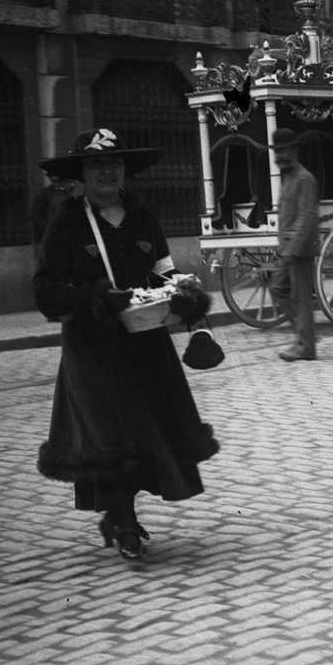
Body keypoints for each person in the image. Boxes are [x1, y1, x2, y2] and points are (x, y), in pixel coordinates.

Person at [33, 128, 218, 561]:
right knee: (112, 436)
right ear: (82, 172)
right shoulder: (66, 223)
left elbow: (162, 273)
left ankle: (119, 515)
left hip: (146, 342)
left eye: (114, 164)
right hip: (92, 349)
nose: (107, 171)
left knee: (149, 429)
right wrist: (92, 296)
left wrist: (185, 295)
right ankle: (123, 519)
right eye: (97, 164)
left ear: (125, 171)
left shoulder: (142, 218)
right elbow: (44, 292)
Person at [268, 127, 321, 361]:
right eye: (276, 151)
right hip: (288, 249)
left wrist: (292, 250)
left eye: (283, 150)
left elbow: (307, 216)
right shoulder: (289, 177)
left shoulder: (305, 179)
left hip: (299, 250)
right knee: (277, 288)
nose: (279, 156)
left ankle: (306, 347)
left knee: (300, 298)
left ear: (295, 150)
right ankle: (304, 336)